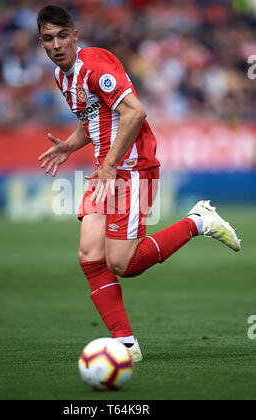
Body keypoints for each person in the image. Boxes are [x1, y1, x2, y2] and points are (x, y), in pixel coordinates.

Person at [37, 5, 241, 362]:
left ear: (75, 34)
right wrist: (70, 145)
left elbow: (135, 112)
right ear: (42, 42)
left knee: (123, 264)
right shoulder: (62, 76)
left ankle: (198, 221)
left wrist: (110, 165)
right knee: (89, 254)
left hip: (130, 168)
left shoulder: (94, 68)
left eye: (62, 36)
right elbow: (94, 119)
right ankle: (126, 344)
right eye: (48, 39)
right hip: (108, 170)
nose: (56, 45)